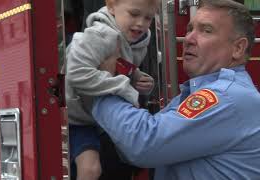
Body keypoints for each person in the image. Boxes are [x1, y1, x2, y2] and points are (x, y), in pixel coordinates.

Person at [92, 0, 260, 179]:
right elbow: (131, 149)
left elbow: (143, 143)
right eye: (189, 29)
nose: (188, 39)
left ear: (238, 48)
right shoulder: (202, 91)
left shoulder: (227, 97)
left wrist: (100, 83)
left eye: (206, 30)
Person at [65, 0, 158, 179]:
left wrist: (137, 78)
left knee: (129, 162)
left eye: (148, 17)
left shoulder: (136, 39)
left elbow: (121, 65)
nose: (141, 23)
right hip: (77, 118)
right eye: (134, 14)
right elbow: (76, 72)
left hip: (98, 114)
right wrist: (122, 85)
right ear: (111, 7)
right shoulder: (101, 34)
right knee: (90, 169)